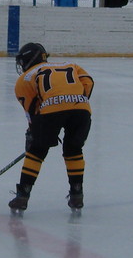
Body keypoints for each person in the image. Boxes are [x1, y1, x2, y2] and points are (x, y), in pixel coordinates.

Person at [9, 42, 94, 214]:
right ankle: (77, 194)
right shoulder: (71, 65)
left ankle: (23, 195)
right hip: (81, 108)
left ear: (29, 59)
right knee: (73, 149)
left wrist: (33, 133)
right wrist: (75, 101)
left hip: (52, 110)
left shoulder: (25, 78)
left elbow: (32, 111)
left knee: (37, 151)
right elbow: (88, 81)